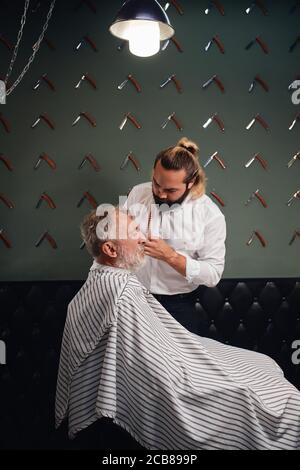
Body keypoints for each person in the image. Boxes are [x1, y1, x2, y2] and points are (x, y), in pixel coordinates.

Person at [55, 207, 300, 450]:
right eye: (134, 232)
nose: (143, 238)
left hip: (174, 358)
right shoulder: (121, 291)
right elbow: (155, 369)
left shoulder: (101, 278)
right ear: (110, 249)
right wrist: (197, 371)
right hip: (170, 377)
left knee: (261, 364)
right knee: (266, 398)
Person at [123, 137, 226, 335]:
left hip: (177, 307)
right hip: (134, 298)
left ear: (191, 183)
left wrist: (170, 256)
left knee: (178, 366)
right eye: (156, 184)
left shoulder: (210, 215)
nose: (160, 194)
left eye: (170, 190)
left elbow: (213, 274)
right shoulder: (138, 193)